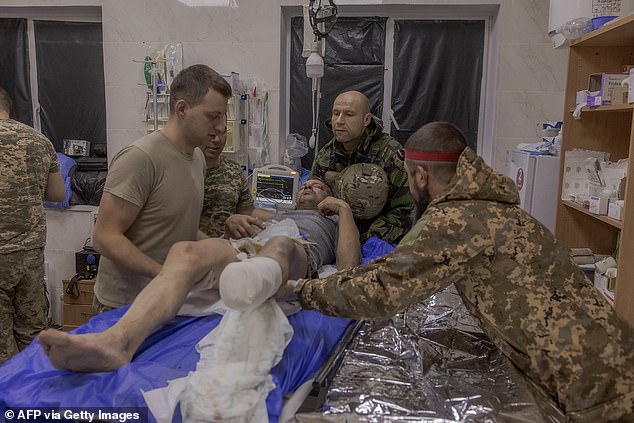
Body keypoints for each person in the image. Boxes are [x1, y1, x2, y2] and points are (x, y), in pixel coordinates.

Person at [293, 122, 634, 422]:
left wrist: (303, 291)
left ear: (420, 176)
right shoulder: (490, 206)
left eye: (410, 179)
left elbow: (383, 288)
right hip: (610, 360)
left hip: (597, 385)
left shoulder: (457, 219)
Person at [37, 178, 360, 372]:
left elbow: (348, 270)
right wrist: (233, 220)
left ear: (327, 200)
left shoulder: (329, 222)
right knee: (185, 250)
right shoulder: (276, 211)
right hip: (244, 247)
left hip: (293, 249)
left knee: (279, 244)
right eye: (305, 184)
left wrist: (344, 211)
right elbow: (239, 224)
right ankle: (117, 343)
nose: (307, 186)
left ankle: (255, 280)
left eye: (316, 186)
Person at [92, 64, 232, 313]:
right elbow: (105, 237)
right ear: (182, 109)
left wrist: (218, 250)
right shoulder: (141, 158)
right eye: (213, 116)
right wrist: (165, 275)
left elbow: (175, 228)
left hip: (167, 299)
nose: (221, 127)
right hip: (124, 305)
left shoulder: (197, 158)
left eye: (223, 116)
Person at [0, 86, 66, 365]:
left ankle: (8, 405)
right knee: (33, 333)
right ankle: (37, 400)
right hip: (29, 254)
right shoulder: (39, 140)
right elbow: (57, 194)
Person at [311, 90, 415, 244]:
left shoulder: (389, 154)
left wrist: (364, 239)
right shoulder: (326, 155)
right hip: (337, 232)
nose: (339, 121)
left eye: (349, 114)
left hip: (378, 236)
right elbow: (314, 201)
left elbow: (404, 211)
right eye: (336, 113)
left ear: (366, 119)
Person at [198, 131, 273, 238]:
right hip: (192, 248)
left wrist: (285, 219)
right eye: (211, 134)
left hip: (229, 246)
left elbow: (247, 211)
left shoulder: (233, 170)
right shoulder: (183, 170)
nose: (217, 140)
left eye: (221, 133)